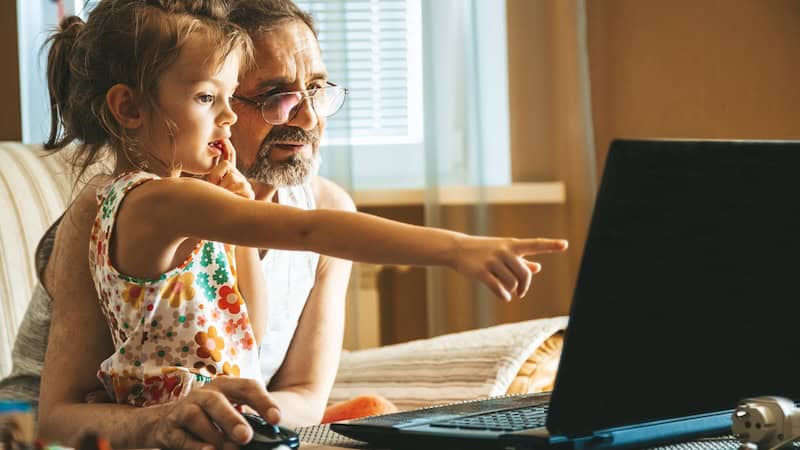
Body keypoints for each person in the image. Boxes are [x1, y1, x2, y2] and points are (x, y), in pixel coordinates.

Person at [1, 1, 569, 449]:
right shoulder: (123, 206)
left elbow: (297, 388)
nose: (308, 115)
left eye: (316, 90)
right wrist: (454, 247)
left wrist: (244, 422)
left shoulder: (319, 205)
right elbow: (55, 413)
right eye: (274, 95)